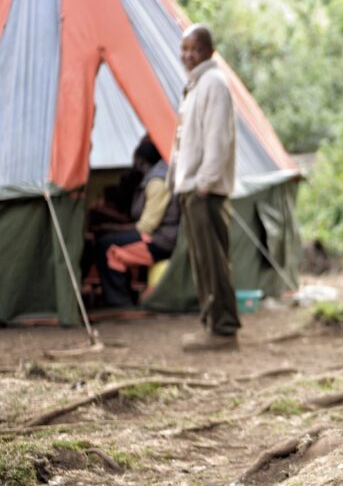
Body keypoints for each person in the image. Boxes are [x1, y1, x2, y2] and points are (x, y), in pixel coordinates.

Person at [167, 24, 241, 351]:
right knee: (202, 262)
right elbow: (185, 139)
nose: (187, 55)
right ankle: (212, 325)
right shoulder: (195, 85)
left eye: (193, 49)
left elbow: (217, 140)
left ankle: (224, 330)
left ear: (209, 51)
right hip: (192, 188)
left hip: (205, 191)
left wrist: (204, 184)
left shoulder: (214, 84)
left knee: (212, 261)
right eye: (184, 49)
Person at [90, 136, 179, 307]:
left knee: (107, 247)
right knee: (107, 240)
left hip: (162, 241)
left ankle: (119, 302)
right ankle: (122, 297)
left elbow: (146, 227)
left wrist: (112, 228)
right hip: (158, 236)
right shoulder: (152, 179)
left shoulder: (157, 182)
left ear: (141, 162)